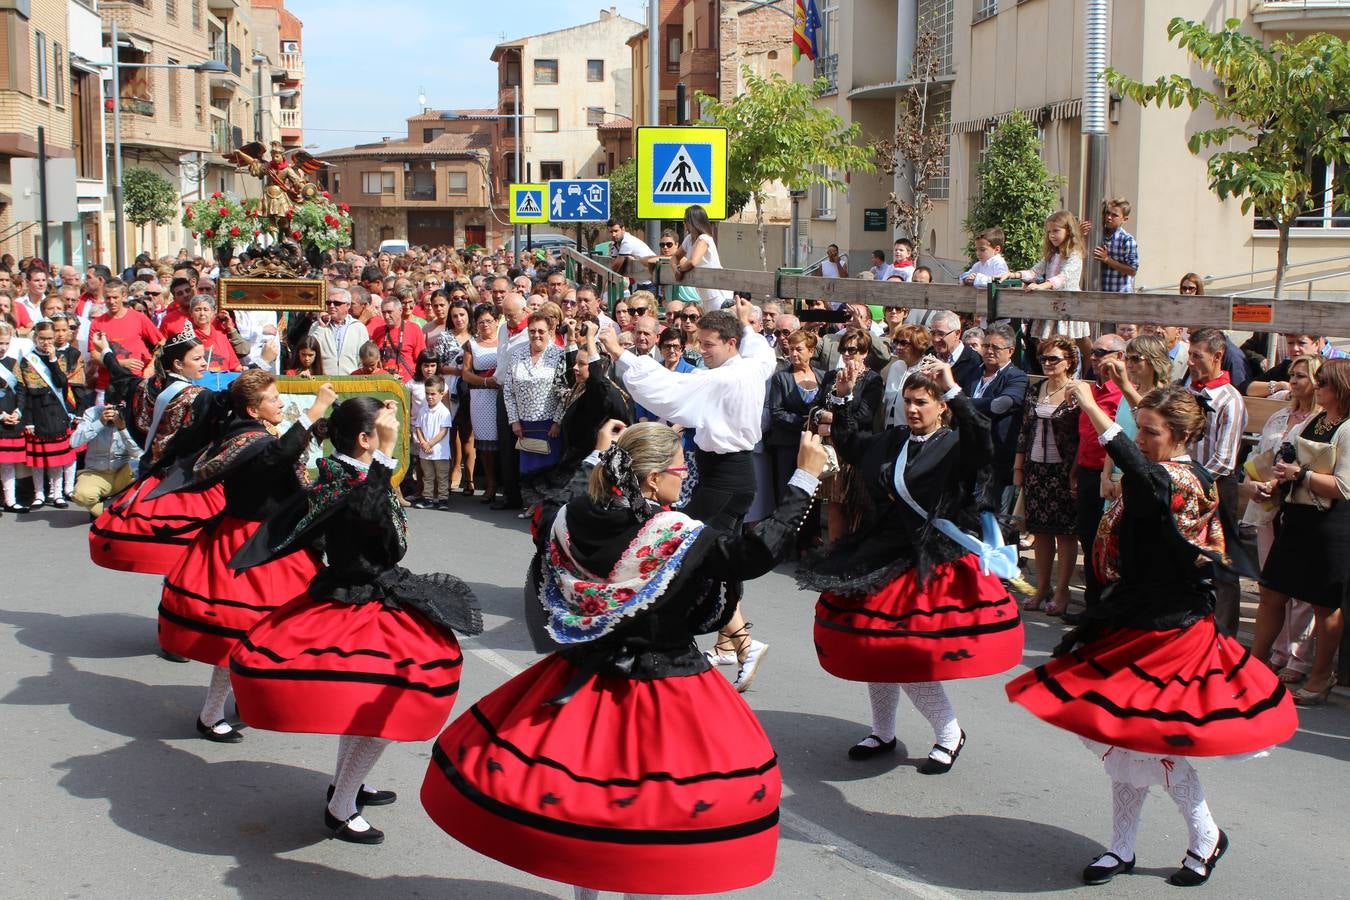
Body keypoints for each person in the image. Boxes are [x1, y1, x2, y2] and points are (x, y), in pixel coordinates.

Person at [421, 422, 827, 896]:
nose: (686, 473)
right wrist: (804, 479)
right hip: (662, 686)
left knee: (579, 800)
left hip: (585, 677)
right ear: (653, 479)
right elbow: (754, 553)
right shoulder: (674, 535)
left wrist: (597, 455)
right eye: (680, 466)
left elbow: (550, 511)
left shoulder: (574, 518)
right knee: (649, 817)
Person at [1006, 384, 1297, 889]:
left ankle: (1205, 836)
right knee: (1124, 742)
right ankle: (1122, 846)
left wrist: (1095, 407)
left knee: (1153, 745)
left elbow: (1137, 471)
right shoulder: (1175, 473)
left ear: (1181, 436)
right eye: (1138, 427)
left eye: (1150, 431)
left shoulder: (1172, 479)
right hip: (1136, 621)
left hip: (1172, 632)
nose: (1140, 438)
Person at [230, 397, 482, 844]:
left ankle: (347, 785)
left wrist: (380, 458)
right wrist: (385, 455)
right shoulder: (347, 479)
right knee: (389, 707)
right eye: (384, 431)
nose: (394, 436)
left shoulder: (347, 473)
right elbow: (372, 522)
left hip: (367, 595)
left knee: (370, 711)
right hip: (358, 604)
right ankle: (341, 805)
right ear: (365, 439)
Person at [798, 360, 1024, 769]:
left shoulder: (956, 444)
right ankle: (882, 731)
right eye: (908, 402)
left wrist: (954, 387)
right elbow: (850, 445)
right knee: (874, 647)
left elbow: (983, 441)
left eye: (922, 402)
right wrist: (843, 397)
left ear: (941, 407)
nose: (913, 409)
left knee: (906, 654)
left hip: (930, 560)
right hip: (881, 552)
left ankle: (950, 732)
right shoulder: (895, 439)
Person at [598, 300, 779, 690]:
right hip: (729, 474)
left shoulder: (724, 378)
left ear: (730, 344)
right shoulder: (751, 363)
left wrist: (618, 351)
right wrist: (746, 321)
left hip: (726, 478)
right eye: (701, 343)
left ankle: (746, 643)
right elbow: (761, 348)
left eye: (709, 344)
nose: (702, 351)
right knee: (712, 556)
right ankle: (729, 643)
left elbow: (670, 388)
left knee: (692, 552)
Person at [157, 374, 335, 742]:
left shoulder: (246, 431)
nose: (280, 402)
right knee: (238, 633)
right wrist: (314, 410)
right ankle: (209, 714)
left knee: (260, 631)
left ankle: (244, 693)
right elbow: (278, 457)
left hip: (263, 539)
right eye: (272, 398)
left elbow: (283, 456)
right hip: (247, 544)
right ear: (253, 408)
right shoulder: (249, 439)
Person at [88, 325, 228, 575]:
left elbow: (123, 379)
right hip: (190, 484)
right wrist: (262, 362)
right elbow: (231, 404)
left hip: (153, 480)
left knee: (172, 553)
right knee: (204, 550)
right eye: (196, 359)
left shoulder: (148, 388)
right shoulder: (198, 396)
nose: (204, 364)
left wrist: (107, 352)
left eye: (203, 357)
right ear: (177, 363)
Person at [1252, 358, 1350, 706]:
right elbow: (1292, 464)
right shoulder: (1316, 420)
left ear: (1340, 388)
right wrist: (1273, 484)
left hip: (1331, 525)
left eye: (1323, 382)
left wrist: (1299, 476)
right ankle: (1255, 664)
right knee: (1272, 592)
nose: (1316, 386)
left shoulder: (1348, 427)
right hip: (1297, 517)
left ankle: (1322, 674)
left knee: (1324, 604)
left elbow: (1343, 486)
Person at [1241, 354, 1320, 688]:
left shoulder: (1321, 421)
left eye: (1302, 375)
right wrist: (1252, 484)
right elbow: (1255, 458)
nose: (1295, 381)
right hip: (1267, 507)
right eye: (1292, 375)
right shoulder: (1278, 416)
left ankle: (1299, 656)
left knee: (1300, 588)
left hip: (1299, 508)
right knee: (1271, 584)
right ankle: (1277, 649)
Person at [1184, 329, 1247, 635]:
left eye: (1198, 355)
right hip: (1190, 484)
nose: (1191, 361)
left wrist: (1191, 482)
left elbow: (1223, 461)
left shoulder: (1229, 399)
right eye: (1190, 354)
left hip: (1215, 487)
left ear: (1218, 356)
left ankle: (1224, 634)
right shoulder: (1190, 388)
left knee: (1222, 565)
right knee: (1186, 557)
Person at [1014, 334, 1081, 614]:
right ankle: (1042, 586)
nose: (1047, 363)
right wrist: (1018, 467)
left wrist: (1075, 473)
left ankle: (1062, 590)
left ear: (1068, 362)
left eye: (1054, 358)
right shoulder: (1036, 388)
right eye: (1043, 358)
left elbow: (1081, 438)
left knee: (1065, 534)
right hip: (1035, 469)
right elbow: (1024, 430)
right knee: (1040, 532)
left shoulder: (1077, 392)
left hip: (1062, 471)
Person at [68, 335, 142, 517]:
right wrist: (99, 422)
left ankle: (115, 506)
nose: (112, 410)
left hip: (122, 471)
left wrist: (123, 428)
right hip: (97, 472)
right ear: (105, 403)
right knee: (81, 495)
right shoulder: (93, 413)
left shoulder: (130, 416)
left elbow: (139, 454)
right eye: (109, 406)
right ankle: (106, 510)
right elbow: (74, 442)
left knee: (143, 472)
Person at [999, 210, 1089, 360]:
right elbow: (1035, 272)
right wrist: (1014, 274)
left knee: (1068, 344)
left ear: (1068, 231)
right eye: (1049, 232)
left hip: (1068, 303)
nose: (1052, 235)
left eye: (1056, 231)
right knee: (1046, 342)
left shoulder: (1074, 254)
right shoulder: (1052, 255)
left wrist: (1042, 286)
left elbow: (1064, 277)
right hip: (1051, 303)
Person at [18, 319, 89, 507]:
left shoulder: (60, 358)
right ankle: (39, 493)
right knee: (38, 460)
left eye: (49, 338)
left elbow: (61, 383)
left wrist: (52, 360)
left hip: (57, 410)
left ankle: (57, 493)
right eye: (42, 338)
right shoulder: (27, 360)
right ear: (35, 338)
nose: (46, 342)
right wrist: (28, 421)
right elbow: (25, 392)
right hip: (37, 411)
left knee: (58, 458)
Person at [502, 312, 566, 512]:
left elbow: (565, 392)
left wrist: (557, 421)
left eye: (541, 331)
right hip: (525, 424)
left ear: (550, 332)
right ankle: (532, 505)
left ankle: (547, 507)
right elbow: (508, 391)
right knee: (528, 468)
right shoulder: (516, 355)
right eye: (532, 331)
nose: (536, 335)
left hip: (549, 423)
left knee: (549, 467)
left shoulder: (559, 355)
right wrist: (514, 420)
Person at [964, 322, 1027, 514]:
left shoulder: (1016, 377)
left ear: (1010, 351)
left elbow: (1000, 406)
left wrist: (962, 403)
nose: (989, 351)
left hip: (996, 462)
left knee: (994, 521)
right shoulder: (973, 372)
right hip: (968, 456)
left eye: (995, 347)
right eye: (986, 346)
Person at [767, 329, 823, 503]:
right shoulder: (781, 378)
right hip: (787, 445)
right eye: (791, 349)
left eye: (799, 349)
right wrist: (804, 422)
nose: (793, 354)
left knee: (811, 492)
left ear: (811, 351)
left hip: (813, 445)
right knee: (787, 490)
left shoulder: (822, 376)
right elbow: (776, 412)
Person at [462, 303, 502, 504]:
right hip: (481, 397)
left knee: (504, 440)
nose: (485, 325)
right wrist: (486, 382)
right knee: (485, 445)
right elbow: (466, 373)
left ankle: (506, 484)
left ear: (496, 321)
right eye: (480, 322)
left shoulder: (505, 341)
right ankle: (491, 482)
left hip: (502, 396)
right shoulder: (471, 344)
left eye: (489, 321)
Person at [672, 203, 731, 307]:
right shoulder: (689, 239)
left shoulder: (704, 239)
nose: (684, 223)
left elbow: (693, 262)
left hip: (716, 293)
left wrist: (680, 269)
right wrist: (675, 270)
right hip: (704, 294)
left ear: (693, 222)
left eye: (685, 220)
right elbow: (675, 257)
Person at [879, 324, 931, 428]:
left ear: (917, 344)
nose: (898, 347)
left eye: (903, 343)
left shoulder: (927, 369)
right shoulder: (895, 366)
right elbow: (887, 402)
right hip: (889, 428)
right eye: (896, 342)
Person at [414, 375, 454, 509]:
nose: (429, 397)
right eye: (427, 393)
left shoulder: (444, 412)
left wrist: (430, 443)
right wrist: (423, 442)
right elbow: (418, 427)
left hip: (440, 453)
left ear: (441, 394)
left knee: (442, 476)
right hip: (425, 451)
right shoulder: (422, 410)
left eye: (433, 394)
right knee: (428, 476)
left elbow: (444, 431)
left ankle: (443, 499)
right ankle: (428, 498)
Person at [309, 288, 369, 376]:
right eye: (329, 303)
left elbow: (364, 358)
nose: (332, 306)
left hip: (350, 381)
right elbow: (310, 350)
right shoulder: (317, 326)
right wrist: (321, 327)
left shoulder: (358, 327)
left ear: (348, 305)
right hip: (323, 380)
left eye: (337, 303)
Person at [1093, 197, 1140, 293]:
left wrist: (1107, 260)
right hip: (1100, 293)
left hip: (1120, 295)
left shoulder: (1127, 240)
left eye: (1114, 215)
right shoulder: (1097, 235)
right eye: (1108, 213)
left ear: (1124, 219)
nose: (1109, 217)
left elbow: (1132, 270)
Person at [186, 295, 242, 373]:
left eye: (206, 309)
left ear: (213, 312)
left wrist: (242, 370)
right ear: (191, 313)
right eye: (197, 310)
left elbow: (235, 366)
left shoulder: (221, 337)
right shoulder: (187, 338)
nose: (202, 313)